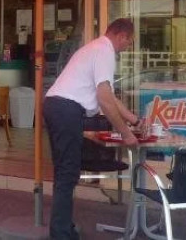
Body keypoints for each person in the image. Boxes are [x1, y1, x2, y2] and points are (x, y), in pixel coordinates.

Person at [43, 18, 142, 240]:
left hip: (57, 106)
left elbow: (109, 96)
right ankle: (60, 234)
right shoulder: (105, 51)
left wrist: (134, 120)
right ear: (122, 36)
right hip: (66, 109)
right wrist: (126, 134)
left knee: (65, 171)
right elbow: (104, 99)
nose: (128, 47)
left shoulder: (95, 48)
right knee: (67, 173)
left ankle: (64, 228)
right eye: (129, 41)